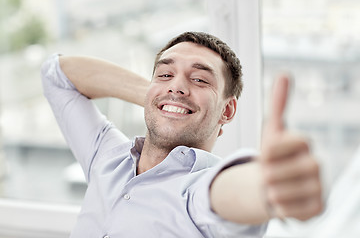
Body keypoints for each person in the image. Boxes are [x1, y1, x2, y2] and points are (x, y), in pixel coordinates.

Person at [41, 32, 322, 237]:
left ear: (227, 110)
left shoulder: (199, 191)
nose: (177, 85)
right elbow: (57, 75)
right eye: (164, 74)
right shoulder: (107, 158)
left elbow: (233, 193)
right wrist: (163, 99)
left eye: (200, 79)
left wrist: (266, 188)